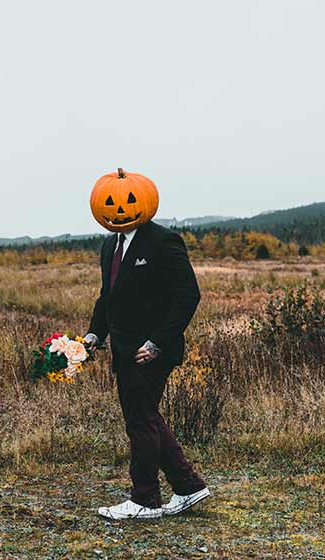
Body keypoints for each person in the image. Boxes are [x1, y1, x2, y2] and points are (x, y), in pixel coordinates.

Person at [84, 168, 209, 520]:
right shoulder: (110, 244)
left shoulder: (163, 241)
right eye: (110, 202)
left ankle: (144, 499)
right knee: (146, 416)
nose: (118, 209)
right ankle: (188, 486)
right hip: (123, 350)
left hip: (151, 351)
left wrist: (157, 342)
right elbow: (107, 298)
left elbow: (188, 296)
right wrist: (95, 335)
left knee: (139, 421)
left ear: (144, 201)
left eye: (125, 202)